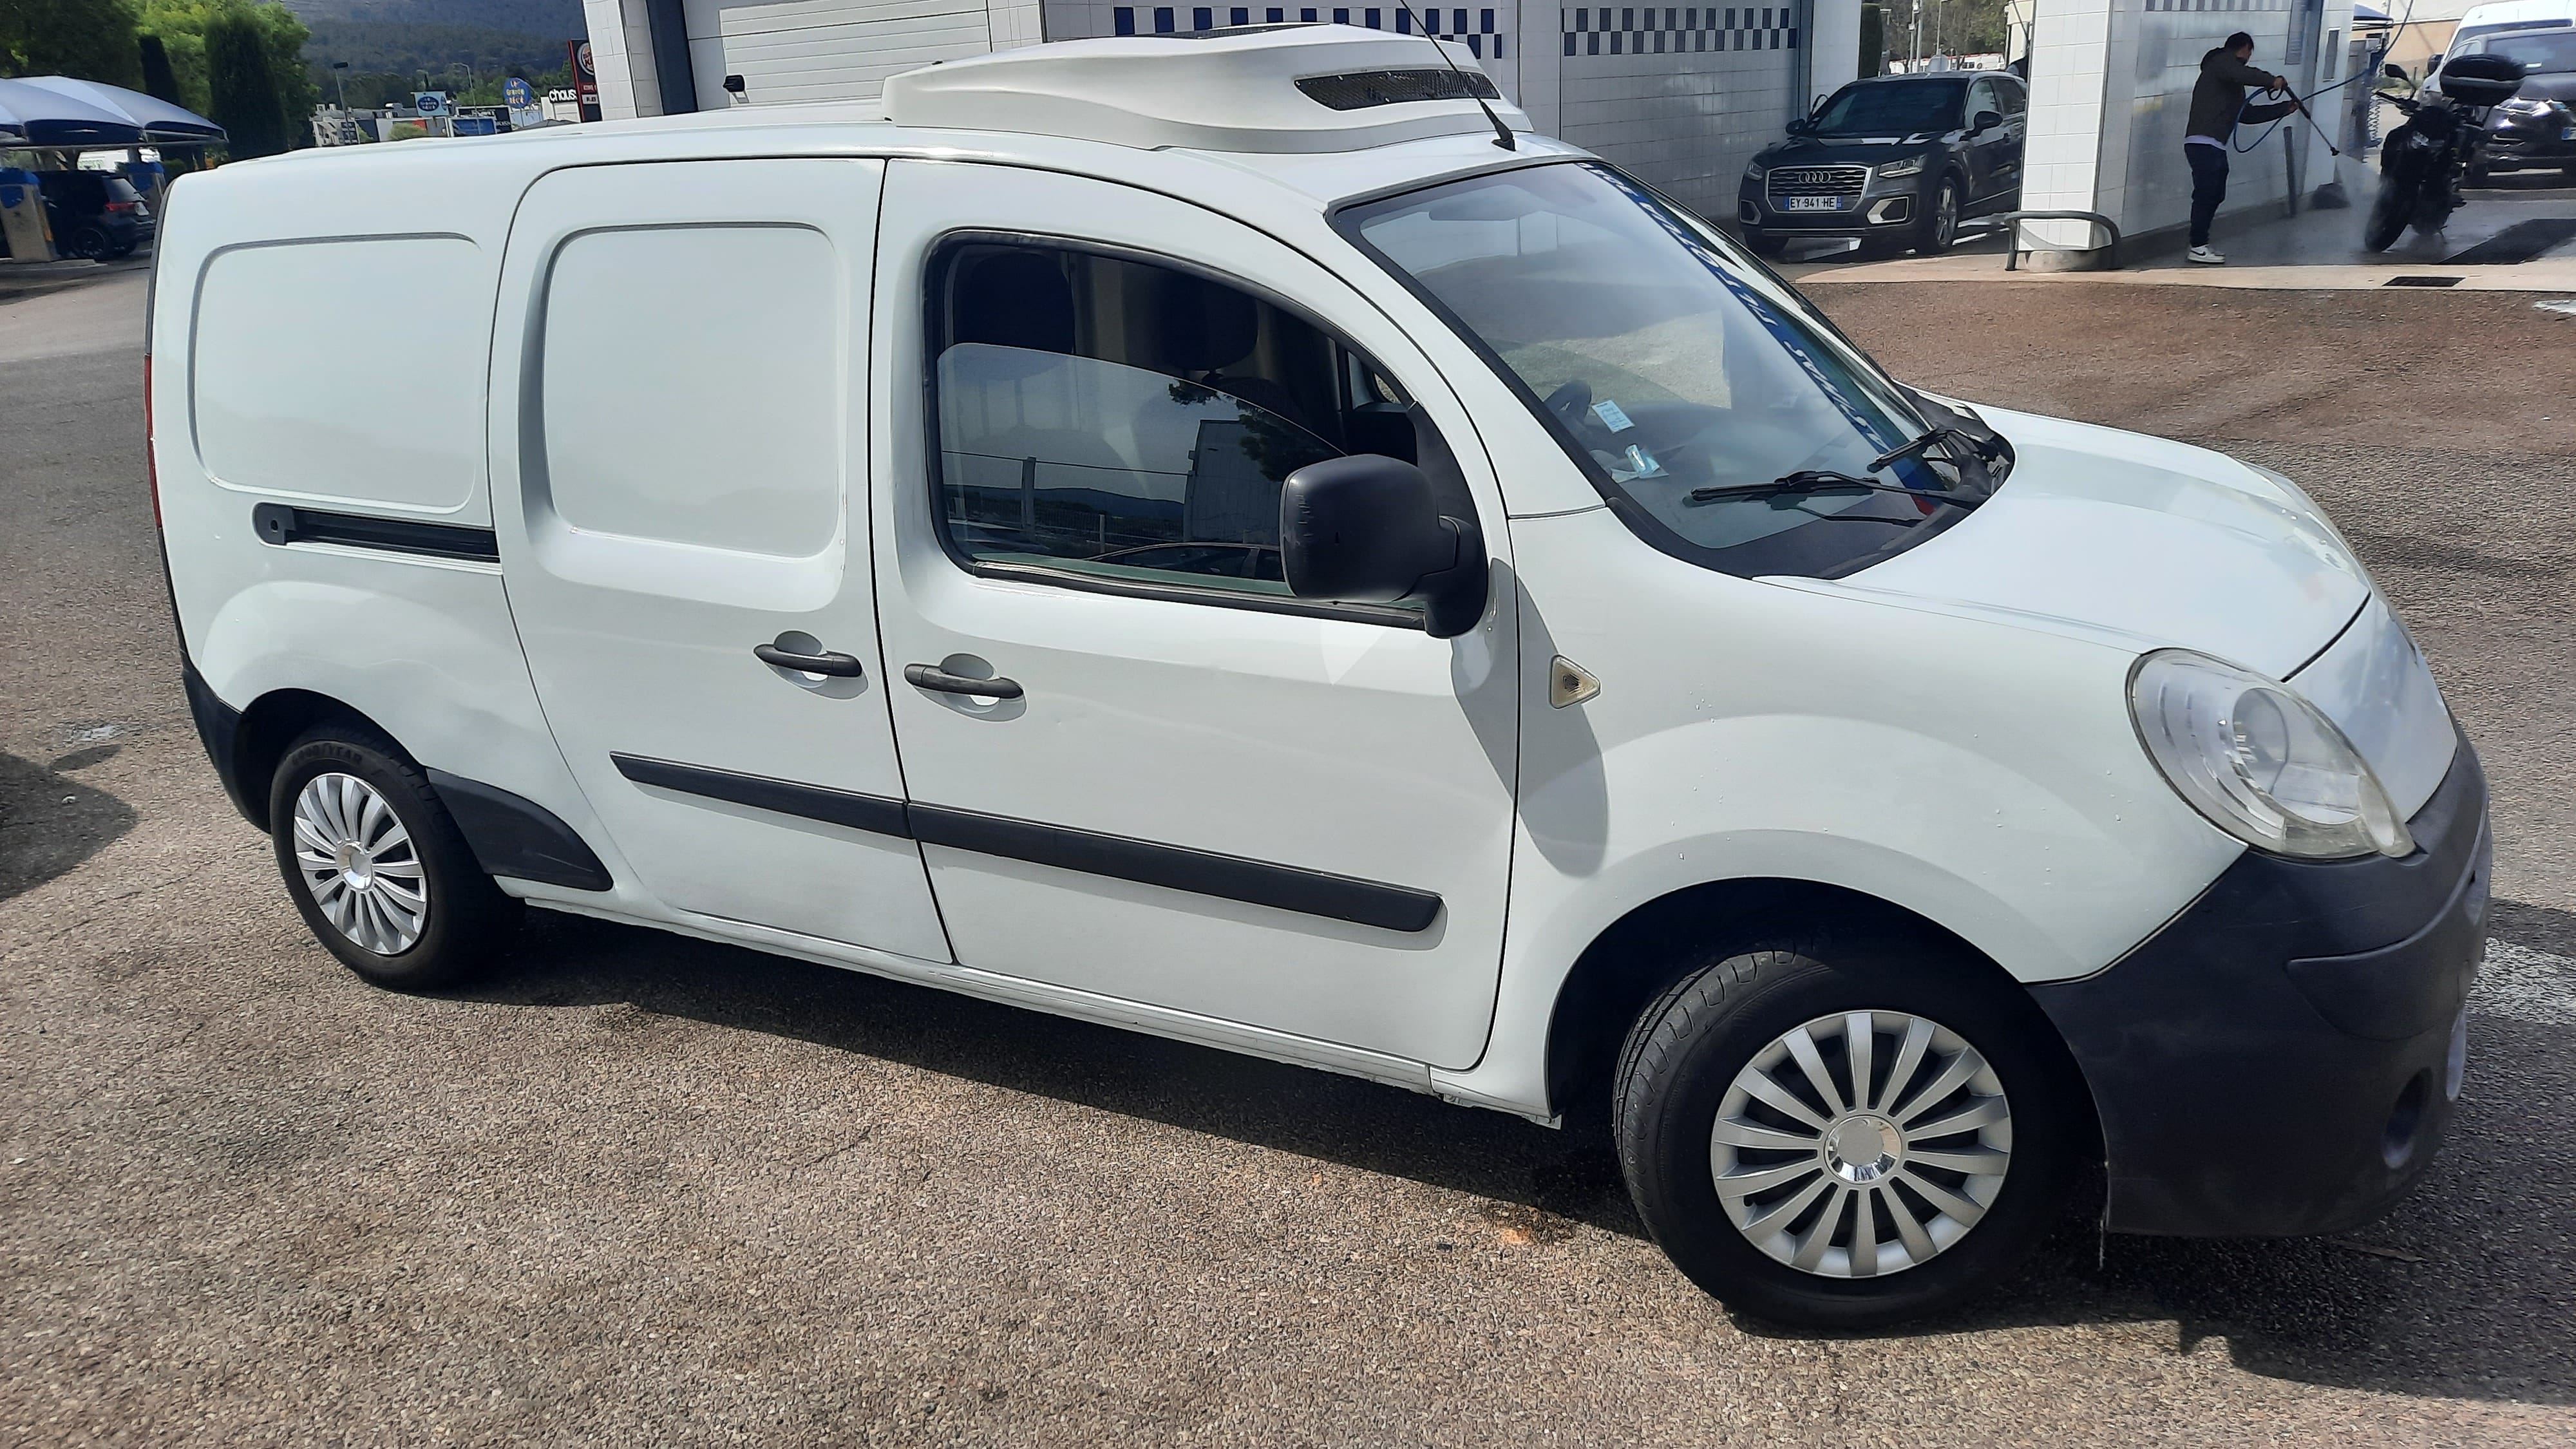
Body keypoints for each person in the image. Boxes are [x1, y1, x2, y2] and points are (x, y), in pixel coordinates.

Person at [2184, 32, 2300, 265]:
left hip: (2213, 144)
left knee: (2216, 194)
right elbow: (2242, 73)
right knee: (2207, 194)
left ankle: (2200, 244)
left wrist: (2283, 109)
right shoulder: (2221, 62)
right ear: (2245, 48)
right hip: (2203, 142)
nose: (2248, 59)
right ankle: (2197, 246)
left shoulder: (2231, 82)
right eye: (2249, 53)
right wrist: (2272, 80)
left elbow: (2246, 114)